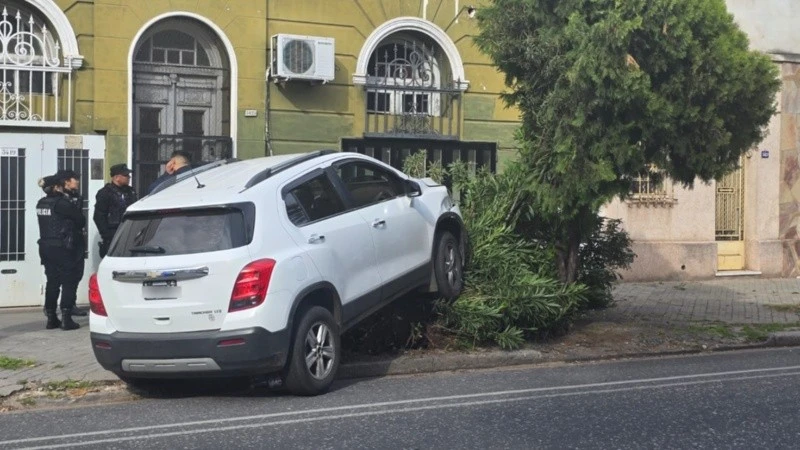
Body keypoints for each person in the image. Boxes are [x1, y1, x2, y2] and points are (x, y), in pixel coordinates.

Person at [36, 170, 86, 330]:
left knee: (52, 282)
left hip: (45, 247)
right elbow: (80, 220)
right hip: (63, 248)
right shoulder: (62, 204)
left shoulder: (41, 203)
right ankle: (66, 318)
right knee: (69, 282)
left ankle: (51, 317)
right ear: (57, 187)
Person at [94, 163, 138, 258]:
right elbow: (99, 216)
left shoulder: (131, 191)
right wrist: (108, 235)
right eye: (126, 175)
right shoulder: (105, 193)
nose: (129, 177)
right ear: (117, 177)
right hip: (113, 234)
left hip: (129, 233)